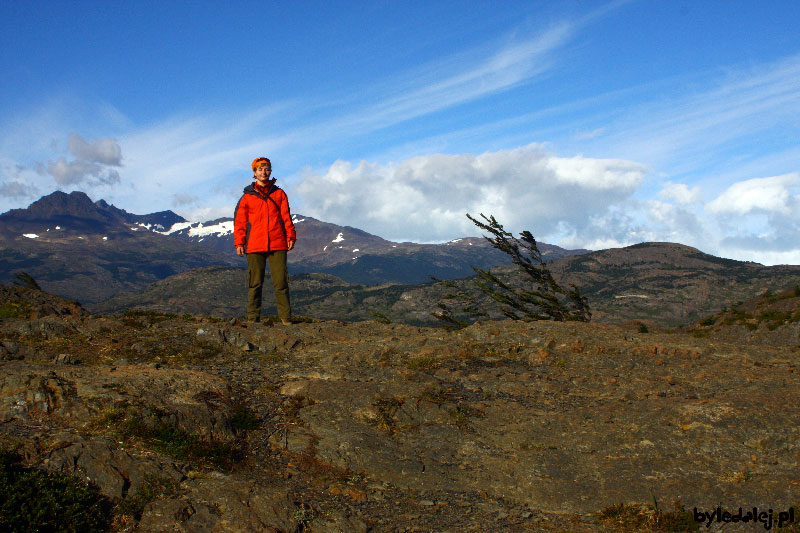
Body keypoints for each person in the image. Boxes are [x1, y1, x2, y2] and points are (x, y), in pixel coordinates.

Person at [234, 157, 297, 324]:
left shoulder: (279, 194)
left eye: (267, 168)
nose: (264, 172)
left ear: (270, 171)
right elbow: (240, 221)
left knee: (281, 282)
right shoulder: (247, 197)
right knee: (255, 283)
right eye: (260, 169)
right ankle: (253, 318)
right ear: (254, 173)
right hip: (255, 244)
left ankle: (286, 318)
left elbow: (286, 218)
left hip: (277, 242)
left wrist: (290, 236)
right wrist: (239, 242)